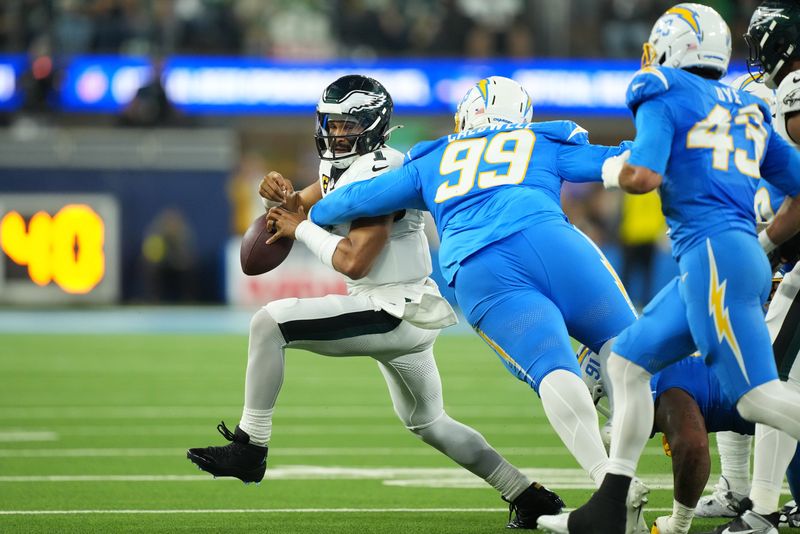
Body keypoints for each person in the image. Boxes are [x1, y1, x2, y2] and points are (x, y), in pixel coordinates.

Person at [186, 75, 563, 529]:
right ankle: (528, 495)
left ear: (372, 125)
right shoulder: (356, 164)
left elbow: (355, 262)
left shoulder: (384, 173)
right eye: (331, 124)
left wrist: (298, 227)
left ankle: (251, 447)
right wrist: (283, 195)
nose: (336, 134)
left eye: (346, 125)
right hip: (405, 308)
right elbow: (306, 201)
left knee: (270, 323)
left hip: (392, 309)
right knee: (430, 423)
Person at [293, 75, 650, 533]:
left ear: (464, 115)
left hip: (480, 267)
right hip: (552, 241)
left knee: (553, 370)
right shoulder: (541, 138)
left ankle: (610, 486)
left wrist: (307, 209)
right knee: (633, 351)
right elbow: (620, 164)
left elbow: (338, 206)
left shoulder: (431, 157)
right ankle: (727, 486)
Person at [537, 4, 800, 534]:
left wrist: (611, 168)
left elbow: (644, 176)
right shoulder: (747, 107)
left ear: (671, 46)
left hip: (712, 258)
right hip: (733, 254)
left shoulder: (660, 87)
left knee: (754, 397)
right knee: (628, 364)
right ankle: (608, 508)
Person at [699, 3, 800, 531]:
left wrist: (760, 243)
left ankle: (758, 510)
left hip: (790, 256)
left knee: (767, 378)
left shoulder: (791, 90)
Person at [579, 344, 800, 533]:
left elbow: (694, 447)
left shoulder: (664, 389)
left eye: (607, 395)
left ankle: (752, 509)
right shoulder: (667, 369)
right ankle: (735, 490)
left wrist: (679, 522)